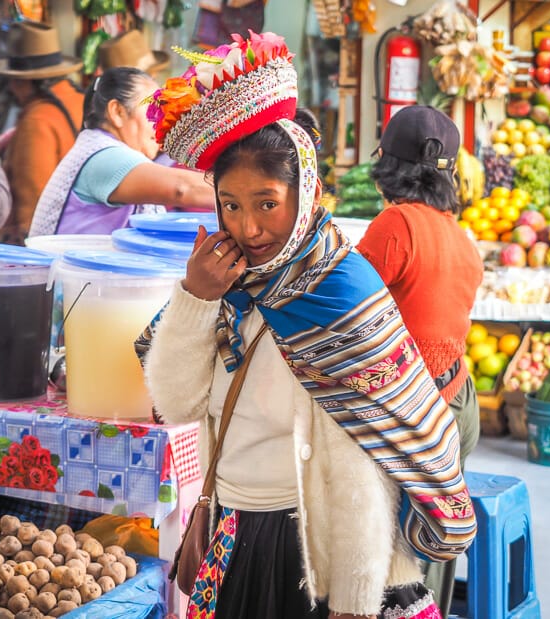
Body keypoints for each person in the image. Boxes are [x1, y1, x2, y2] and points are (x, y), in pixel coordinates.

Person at [135, 32, 476, 619]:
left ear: (306, 190)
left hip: (319, 551)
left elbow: (368, 464)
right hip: (232, 534)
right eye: (231, 204)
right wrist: (194, 299)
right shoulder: (220, 285)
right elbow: (178, 405)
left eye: (267, 202)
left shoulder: (344, 293)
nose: (249, 227)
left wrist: (353, 596)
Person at [355, 105, 485, 617]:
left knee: (396, 571)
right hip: (458, 404)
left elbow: (348, 310)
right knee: (428, 546)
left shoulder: (395, 223)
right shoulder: (461, 237)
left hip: (414, 414)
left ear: (385, 162)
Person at [28, 67, 214, 237]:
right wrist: (240, 188)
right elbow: (182, 189)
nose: (161, 123)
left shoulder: (97, 147)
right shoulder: (104, 157)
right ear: (117, 112)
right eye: (153, 110)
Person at [0, 21, 86, 244]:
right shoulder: (80, 100)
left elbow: (32, 203)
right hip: (78, 233)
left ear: (27, 82)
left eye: (15, 80)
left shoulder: (37, 121)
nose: (13, 88)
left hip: (46, 244)